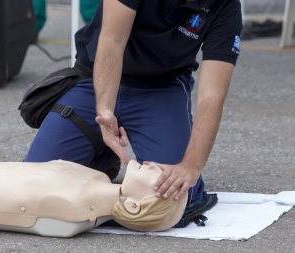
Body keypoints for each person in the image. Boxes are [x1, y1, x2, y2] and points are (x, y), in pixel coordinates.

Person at [24, 0, 243, 223]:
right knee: (32, 187)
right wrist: (105, 111)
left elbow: (212, 94)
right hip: (95, 83)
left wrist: (191, 166)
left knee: (173, 198)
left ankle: (97, 159)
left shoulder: (226, 7)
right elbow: (112, 41)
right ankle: (99, 154)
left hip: (160, 90)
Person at [0, 160, 187, 237]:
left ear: (133, 206)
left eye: (159, 180)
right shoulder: (98, 177)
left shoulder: (75, 204)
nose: (157, 167)